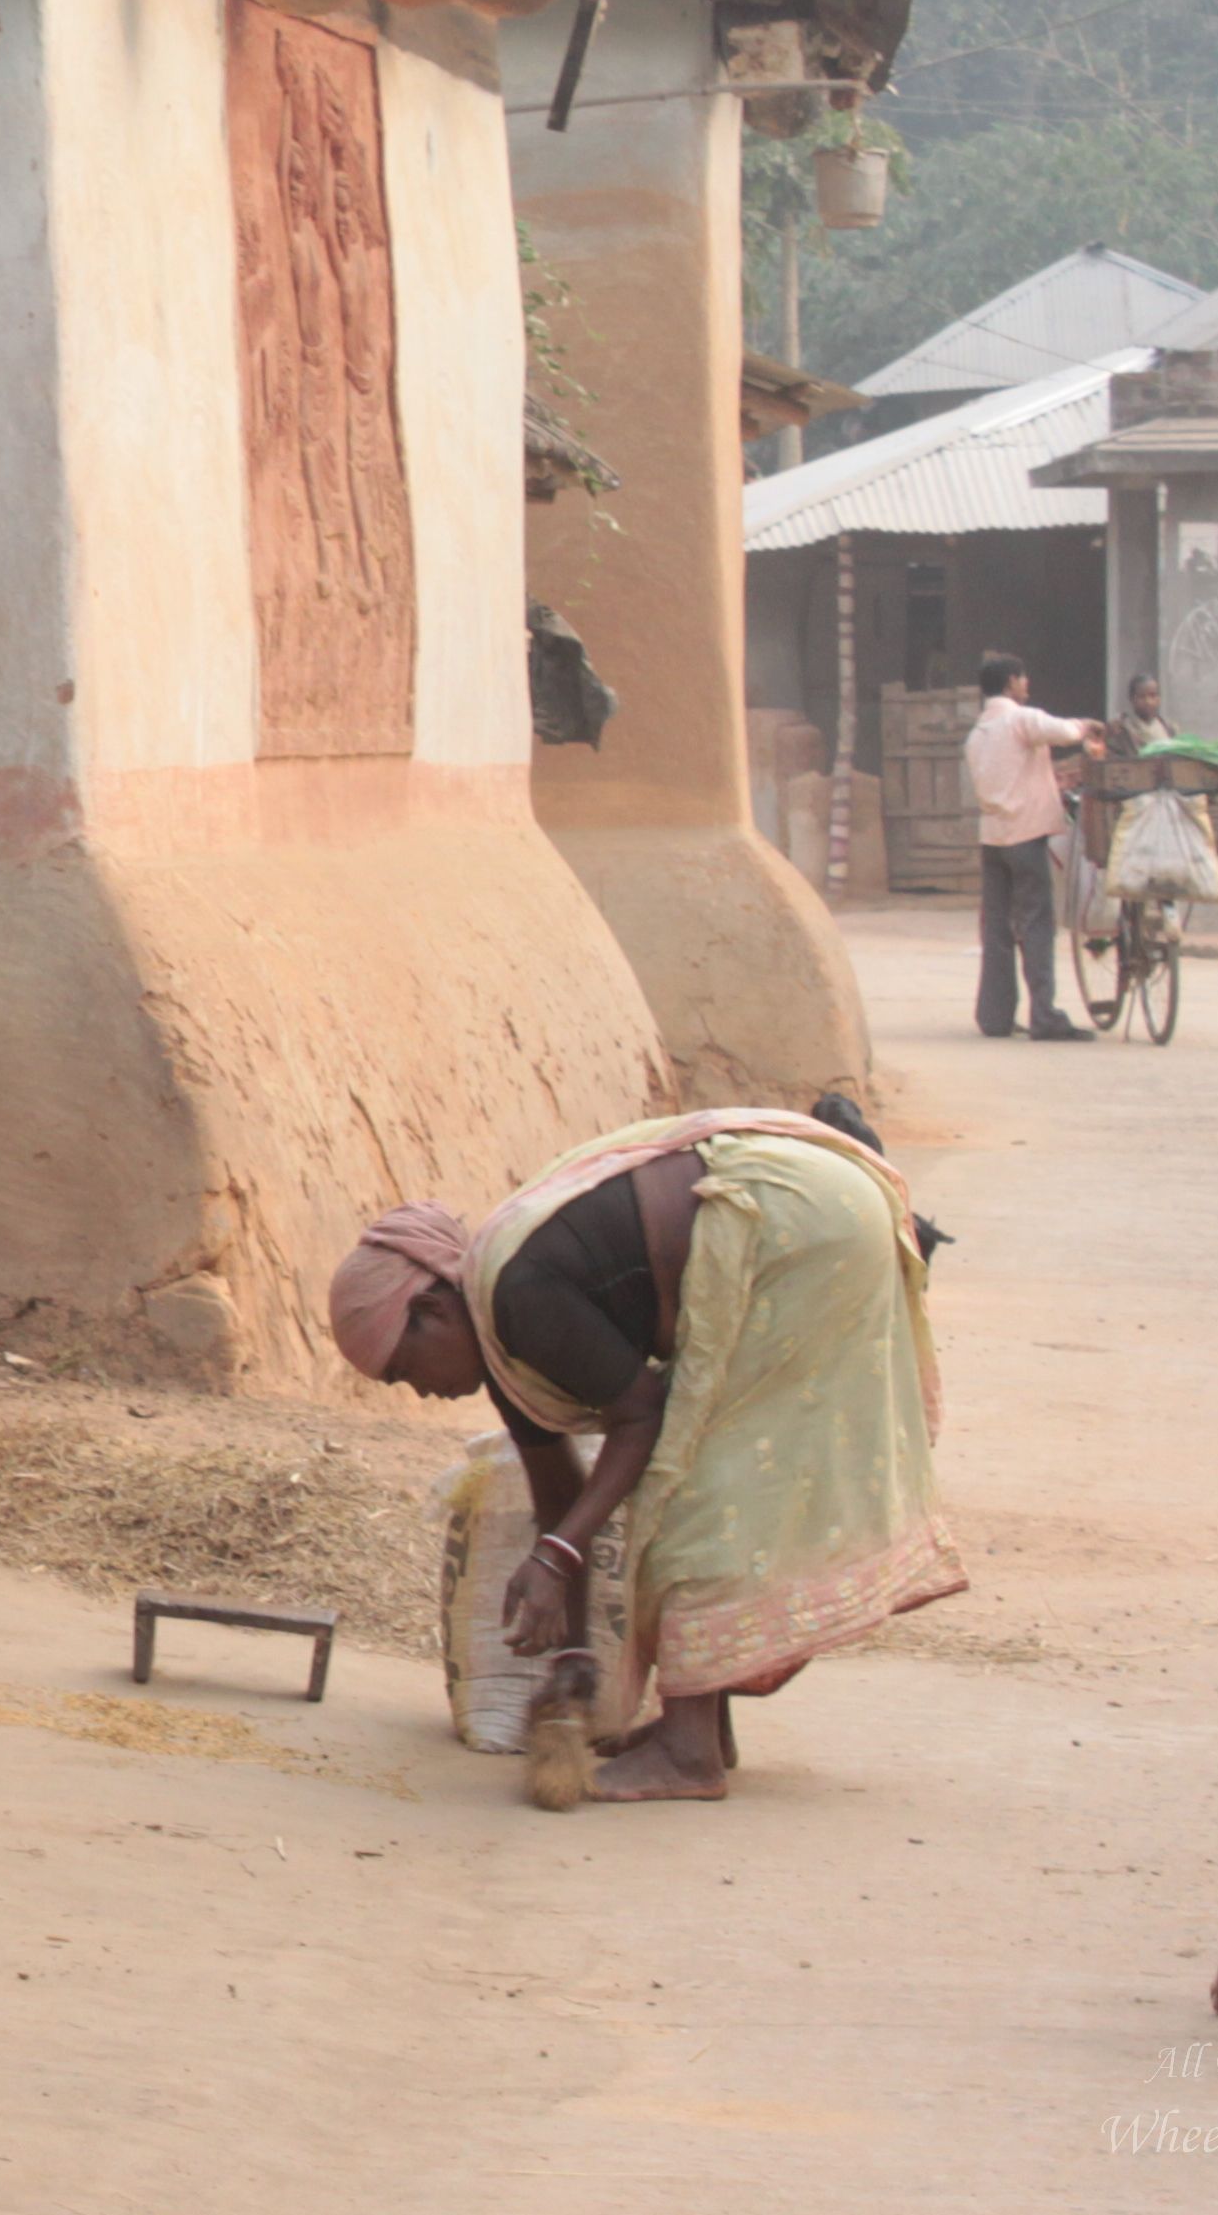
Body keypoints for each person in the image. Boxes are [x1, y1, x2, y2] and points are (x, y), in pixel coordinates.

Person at [328, 1109, 966, 1803]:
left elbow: (641, 1418)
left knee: (687, 1495)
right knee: (693, 1485)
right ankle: (700, 1729)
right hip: (808, 1212)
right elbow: (560, 1498)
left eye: (404, 1369)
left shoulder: (517, 1297)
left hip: (798, 1225)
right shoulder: (504, 1344)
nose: (419, 1391)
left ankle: (690, 1754)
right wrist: (574, 1654)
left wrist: (554, 1561)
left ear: (435, 1312)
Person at [963, 651, 1104, 1041]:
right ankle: (1045, 1016)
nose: (1027, 684)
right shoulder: (1020, 720)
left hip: (993, 839)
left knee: (997, 929)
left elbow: (1012, 772)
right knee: (1036, 925)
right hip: (1025, 836)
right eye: (1022, 678)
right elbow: (1061, 731)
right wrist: (1086, 726)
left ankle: (995, 1017)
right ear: (1011, 682)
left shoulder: (977, 735)